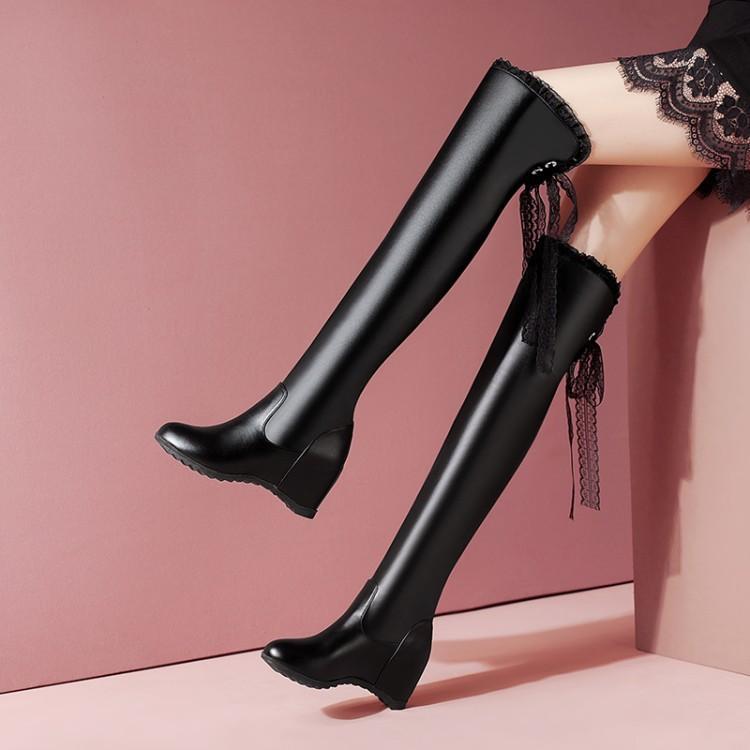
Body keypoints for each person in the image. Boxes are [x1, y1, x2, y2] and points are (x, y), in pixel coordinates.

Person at [155, 1, 750, 709]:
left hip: (736, 68)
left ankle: (302, 418)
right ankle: (388, 625)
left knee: (518, 108)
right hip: (725, 44)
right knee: (573, 270)